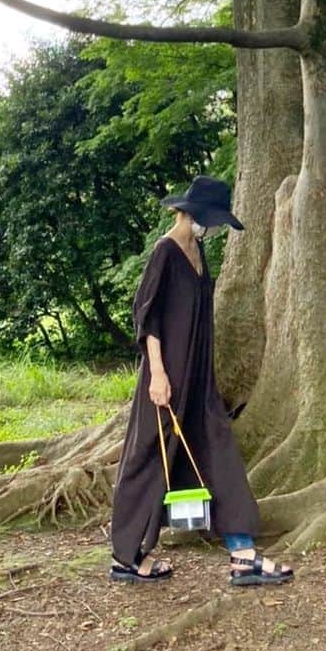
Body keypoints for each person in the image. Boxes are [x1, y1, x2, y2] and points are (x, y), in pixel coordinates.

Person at [109, 175, 294, 587]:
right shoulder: (165, 252)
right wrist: (157, 373)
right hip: (166, 381)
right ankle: (128, 556)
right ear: (191, 214)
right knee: (149, 458)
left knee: (219, 451)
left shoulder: (198, 251)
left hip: (198, 381)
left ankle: (243, 553)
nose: (212, 227)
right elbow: (148, 317)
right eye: (209, 220)